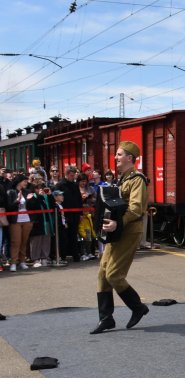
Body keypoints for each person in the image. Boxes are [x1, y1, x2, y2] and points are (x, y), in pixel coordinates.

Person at [90, 141, 151, 335]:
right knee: (102, 272)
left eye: (119, 154)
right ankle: (106, 318)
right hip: (116, 230)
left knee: (114, 275)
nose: (115, 157)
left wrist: (118, 222)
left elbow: (136, 208)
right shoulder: (122, 179)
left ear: (129, 158)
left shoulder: (137, 180)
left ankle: (138, 307)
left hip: (129, 231)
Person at [6, 175, 33, 272]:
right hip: (15, 220)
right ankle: (13, 262)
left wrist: (31, 199)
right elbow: (9, 207)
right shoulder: (11, 192)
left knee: (24, 241)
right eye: (24, 181)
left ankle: (22, 261)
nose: (26, 183)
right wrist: (17, 201)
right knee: (15, 241)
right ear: (19, 181)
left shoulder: (27, 191)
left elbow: (32, 206)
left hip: (27, 219)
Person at [56, 165, 83, 262]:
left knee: (74, 235)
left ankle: (75, 255)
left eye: (74, 175)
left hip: (75, 214)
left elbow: (79, 199)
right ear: (66, 174)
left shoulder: (75, 185)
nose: (73, 177)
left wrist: (80, 213)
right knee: (64, 236)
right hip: (64, 214)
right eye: (71, 175)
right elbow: (57, 200)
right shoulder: (60, 185)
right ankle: (63, 256)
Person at [27, 181, 54, 268]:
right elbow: (32, 206)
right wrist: (39, 196)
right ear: (34, 189)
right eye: (38, 188)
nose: (40, 190)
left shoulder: (45, 197)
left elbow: (52, 206)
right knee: (36, 241)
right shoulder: (31, 196)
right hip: (36, 222)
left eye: (42, 188)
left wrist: (50, 195)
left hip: (47, 221)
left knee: (46, 240)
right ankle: (36, 259)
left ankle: (44, 257)